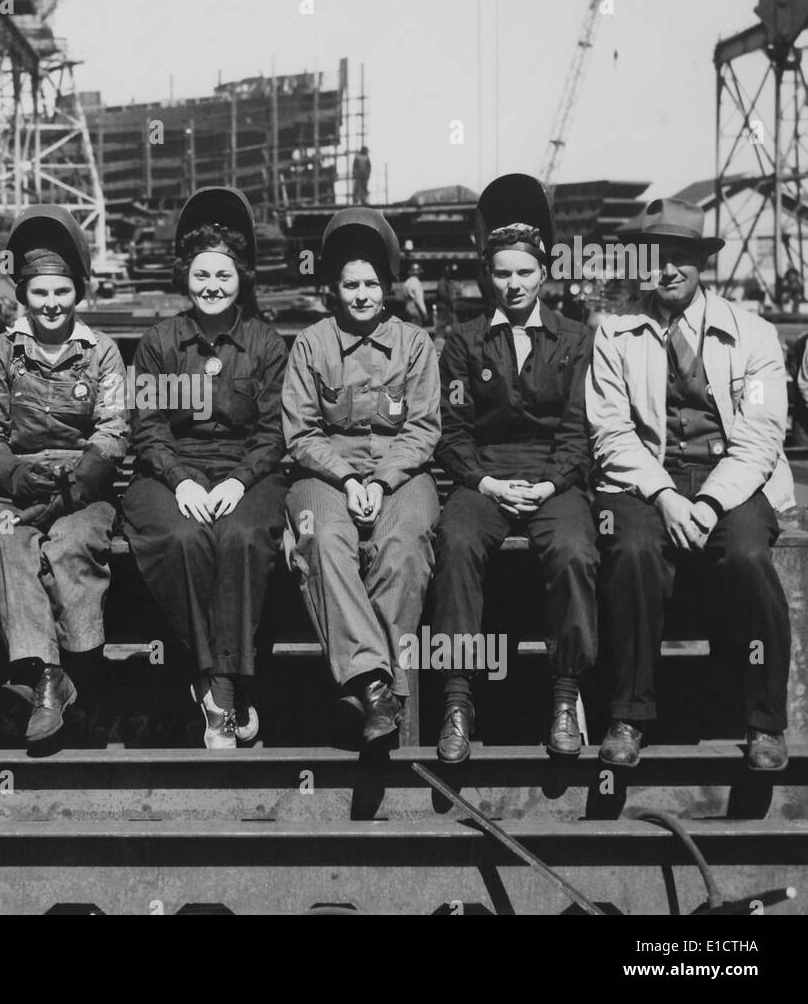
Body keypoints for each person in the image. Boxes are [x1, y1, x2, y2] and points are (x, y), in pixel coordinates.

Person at [587, 197, 794, 772]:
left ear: (703, 263)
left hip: (732, 478)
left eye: (681, 257)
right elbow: (611, 432)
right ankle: (628, 717)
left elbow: (760, 436)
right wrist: (665, 496)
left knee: (749, 556)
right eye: (656, 257)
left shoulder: (753, 336)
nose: (667, 269)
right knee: (630, 552)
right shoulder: (615, 335)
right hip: (645, 479)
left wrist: (705, 502)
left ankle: (764, 724)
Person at [432, 173, 598, 763]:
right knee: (454, 542)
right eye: (502, 273)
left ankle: (564, 694)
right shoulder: (463, 343)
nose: (514, 284)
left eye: (525, 272)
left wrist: (552, 484)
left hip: (557, 478)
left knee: (575, 550)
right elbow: (452, 435)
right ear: (489, 276)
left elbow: (580, 431)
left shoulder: (577, 340)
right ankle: (457, 698)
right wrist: (485, 483)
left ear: (545, 272)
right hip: (485, 475)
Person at [122, 186, 289, 748]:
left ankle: (220, 686)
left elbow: (272, 432)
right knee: (181, 538)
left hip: (248, 472)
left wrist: (241, 481)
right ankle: (221, 689)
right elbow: (146, 426)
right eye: (200, 277)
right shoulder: (159, 342)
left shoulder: (265, 344)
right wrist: (181, 480)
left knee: (243, 537)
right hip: (172, 472)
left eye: (222, 276)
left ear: (240, 278)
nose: (211, 287)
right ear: (185, 279)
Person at [0, 206, 129, 744]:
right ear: (24, 296)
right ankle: (46, 677)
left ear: (77, 292)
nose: (52, 304)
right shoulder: (1, 355)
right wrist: (13, 478)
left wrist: (76, 487)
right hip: (17, 488)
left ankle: (84, 672)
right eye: (40, 293)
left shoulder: (101, 353)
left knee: (71, 545)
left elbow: (112, 430)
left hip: (83, 489)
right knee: (5, 539)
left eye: (61, 291)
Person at [283, 208, 441, 744]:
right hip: (326, 473)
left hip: (402, 472)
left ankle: (376, 692)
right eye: (350, 284)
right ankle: (378, 685)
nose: (362, 295)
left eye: (371, 283)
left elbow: (422, 429)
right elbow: (301, 433)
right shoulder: (311, 344)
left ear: (387, 287)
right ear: (334, 289)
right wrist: (350, 481)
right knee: (321, 536)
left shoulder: (415, 345)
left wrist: (381, 481)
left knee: (406, 543)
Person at [402, 262, 429, 326]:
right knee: (417, 331)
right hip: (415, 309)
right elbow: (419, 300)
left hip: (408, 309)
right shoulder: (416, 283)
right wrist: (425, 313)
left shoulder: (406, 282)